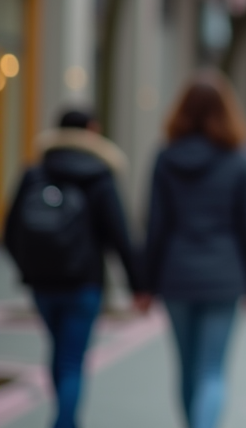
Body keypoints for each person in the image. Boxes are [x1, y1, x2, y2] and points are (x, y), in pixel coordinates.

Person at [4, 108, 147, 428]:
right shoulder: (100, 175)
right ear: (92, 131)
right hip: (84, 283)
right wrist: (139, 285)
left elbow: (11, 231)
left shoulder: (35, 172)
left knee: (58, 351)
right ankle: (64, 423)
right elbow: (121, 236)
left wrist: (28, 266)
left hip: (42, 284)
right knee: (71, 360)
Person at [144, 72, 246, 428]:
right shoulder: (239, 160)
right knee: (213, 369)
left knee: (187, 368)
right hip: (225, 275)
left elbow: (154, 225)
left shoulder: (165, 158)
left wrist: (145, 281)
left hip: (176, 273)